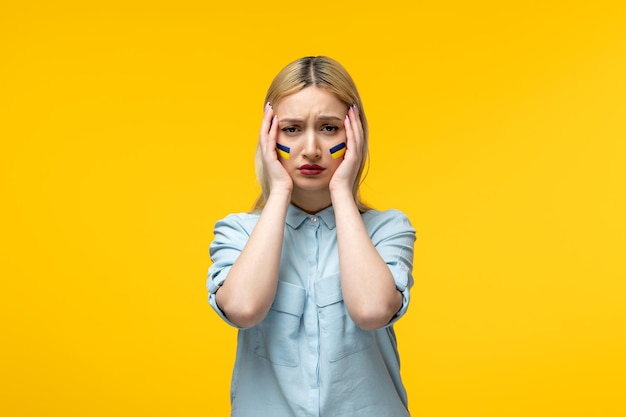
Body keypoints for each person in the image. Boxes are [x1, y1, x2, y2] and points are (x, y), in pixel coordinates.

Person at [207, 56, 416, 417]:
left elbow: (371, 311)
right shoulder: (238, 231)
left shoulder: (389, 229)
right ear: (269, 136)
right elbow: (243, 308)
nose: (311, 149)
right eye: (291, 129)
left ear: (354, 133)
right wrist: (278, 191)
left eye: (329, 127)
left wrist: (341, 189)